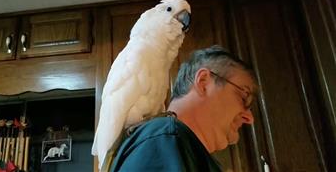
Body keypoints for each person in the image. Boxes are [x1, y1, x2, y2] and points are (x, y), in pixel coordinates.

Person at [108, 45, 258, 172]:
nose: (249, 118)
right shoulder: (165, 136)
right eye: (244, 96)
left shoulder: (178, 145)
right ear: (204, 81)